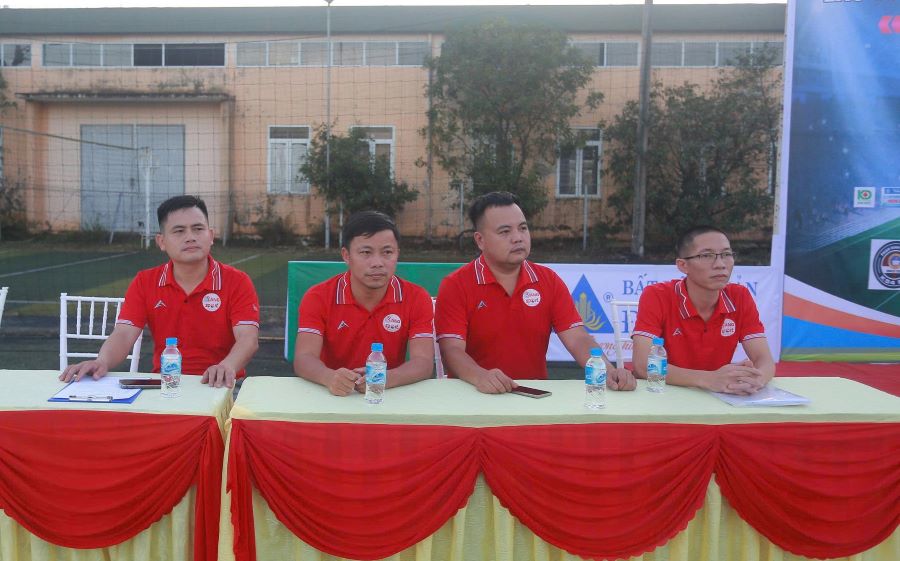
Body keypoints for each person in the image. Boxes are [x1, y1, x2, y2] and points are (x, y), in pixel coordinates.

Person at [435, 191, 636, 394]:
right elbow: (451, 350)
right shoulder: (456, 285)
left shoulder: (548, 280)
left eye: (523, 228)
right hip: (474, 394)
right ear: (480, 240)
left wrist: (607, 370)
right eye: (505, 232)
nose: (517, 238)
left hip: (533, 394)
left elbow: (577, 338)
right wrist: (480, 376)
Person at [60, 195, 260, 388]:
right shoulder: (145, 282)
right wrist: (101, 361)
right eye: (179, 231)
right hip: (166, 383)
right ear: (161, 242)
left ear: (211, 235)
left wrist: (227, 366)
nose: (190, 237)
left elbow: (248, 339)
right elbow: (124, 334)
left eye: (198, 229)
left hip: (223, 385)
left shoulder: (237, 281)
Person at [293, 211, 434, 396]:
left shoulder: (416, 297)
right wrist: (328, 377)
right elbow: (304, 358)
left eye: (387, 252)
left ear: (397, 254)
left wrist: (384, 378)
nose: (377, 263)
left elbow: (423, 362)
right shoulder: (318, 297)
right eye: (366, 253)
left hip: (388, 395)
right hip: (332, 395)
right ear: (346, 255)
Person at [631, 225, 775, 395]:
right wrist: (709, 379)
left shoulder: (740, 296)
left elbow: (764, 360)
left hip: (718, 396)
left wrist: (755, 380)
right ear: (683, 265)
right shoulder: (657, 295)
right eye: (706, 256)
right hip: (663, 394)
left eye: (726, 254)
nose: (720, 264)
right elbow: (642, 365)